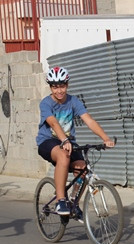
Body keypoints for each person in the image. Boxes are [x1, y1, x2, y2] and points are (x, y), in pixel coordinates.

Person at [36, 66, 115, 215]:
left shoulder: (74, 101)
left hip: (67, 142)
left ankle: (73, 201)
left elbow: (89, 121)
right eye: (55, 87)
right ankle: (60, 201)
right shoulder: (45, 103)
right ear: (50, 87)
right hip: (48, 142)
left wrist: (105, 138)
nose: (59, 91)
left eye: (62, 86)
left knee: (83, 168)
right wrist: (64, 140)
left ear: (67, 85)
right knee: (63, 156)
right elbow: (53, 122)